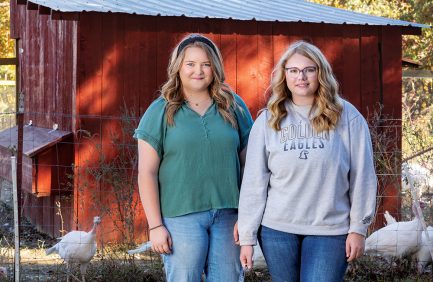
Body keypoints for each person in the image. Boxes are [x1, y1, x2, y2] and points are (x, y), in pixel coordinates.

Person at [238, 41, 377, 282]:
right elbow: (254, 182)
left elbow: (363, 176)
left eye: (309, 69)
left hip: (330, 230)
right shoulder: (269, 120)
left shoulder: (347, 116)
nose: (301, 77)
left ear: (320, 73)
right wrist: (247, 238)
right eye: (293, 70)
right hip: (277, 230)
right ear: (284, 75)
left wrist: (358, 228)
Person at [134, 34, 253, 282]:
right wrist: (155, 226)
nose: (198, 71)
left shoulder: (234, 106)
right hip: (180, 217)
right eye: (190, 64)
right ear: (178, 67)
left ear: (215, 68)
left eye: (206, 64)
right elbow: (146, 172)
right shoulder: (160, 110)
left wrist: (248, 217)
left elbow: (250, 166)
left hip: (230, 216)